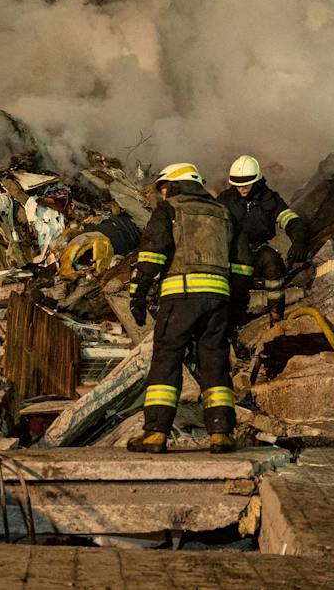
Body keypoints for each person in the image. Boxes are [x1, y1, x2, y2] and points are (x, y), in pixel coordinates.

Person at [126, 164, 238, 454]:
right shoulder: (223, 212)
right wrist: (235, 304)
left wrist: (138, 295)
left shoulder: (170, 210)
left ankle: (155, 434)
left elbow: (152, 253)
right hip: (218, 301)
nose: (161, 194)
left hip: (181, 298)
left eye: (163, 188)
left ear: (172, 186)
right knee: (214, 361)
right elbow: (241, 264)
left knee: (167, 360)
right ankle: (221, 433)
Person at [218, 155, 311, 322]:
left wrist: (298, 240)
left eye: (246, 183)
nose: (242, 188)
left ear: (257, 180)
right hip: (232, 254)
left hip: (257, 251)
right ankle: (232, 319)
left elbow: (290, 220)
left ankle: (275, 317)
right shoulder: (225, 200)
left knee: (272, 261)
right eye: (238, 184)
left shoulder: (270, 199)